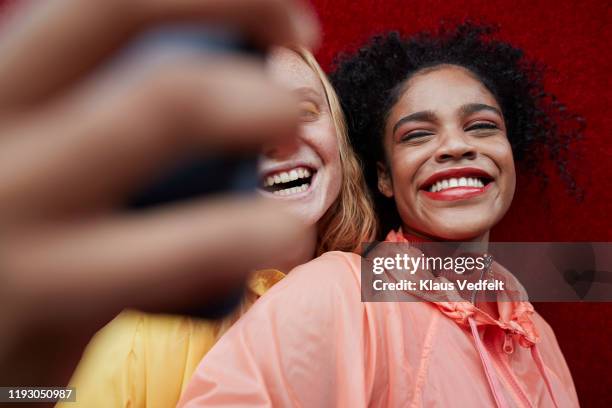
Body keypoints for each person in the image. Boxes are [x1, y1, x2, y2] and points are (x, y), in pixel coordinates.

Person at [178, 23, 582, 407]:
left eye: (481, 126)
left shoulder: (539, 336)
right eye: (418, 134)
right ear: (385, 177)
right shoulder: (337, 290)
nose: (456, 146)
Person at [0, 0, 321, 387]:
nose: (274, 137)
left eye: (304, 110)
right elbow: (39, 393)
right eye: (233, 117)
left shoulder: (373, 265)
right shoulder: (139, 325)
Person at [60, 47, 376, 408]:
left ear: (338, 134)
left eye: (303, 111)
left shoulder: (384, 274)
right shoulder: (139, 339)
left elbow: (452, 279)